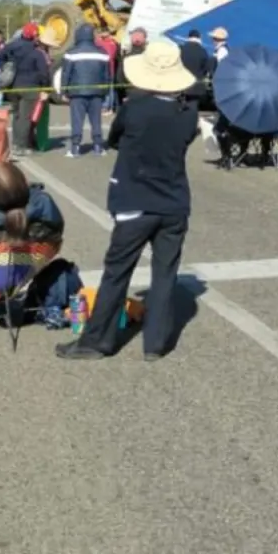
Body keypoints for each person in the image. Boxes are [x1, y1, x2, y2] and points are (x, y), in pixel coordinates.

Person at [57, 39, 200, 363]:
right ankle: (156, 343)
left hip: (135, 199)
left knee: (117, 272)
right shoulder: (187, 112)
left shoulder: (134, 107)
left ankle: (97, 340)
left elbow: (115, 139)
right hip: (174, 201)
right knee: (165, 273)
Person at [61, 25, 113, 157]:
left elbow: (66, 73)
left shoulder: (71, 52)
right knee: (96, 120)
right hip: (97, 92)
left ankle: (75, 148)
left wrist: (64, 91)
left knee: (77, 120)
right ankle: (98, 147)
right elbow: (107, 74)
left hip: (77, 92)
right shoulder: (102, 53)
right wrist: (105, 91)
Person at [2, 24, 53, 158]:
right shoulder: (36, 52)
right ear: (34, 36)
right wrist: (46, 88)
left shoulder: (13, 47)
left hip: (13, 86)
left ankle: (15, 142)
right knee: (25, 117)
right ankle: (21, 146)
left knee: (17, 116)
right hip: (30, 87)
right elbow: (43, 73)